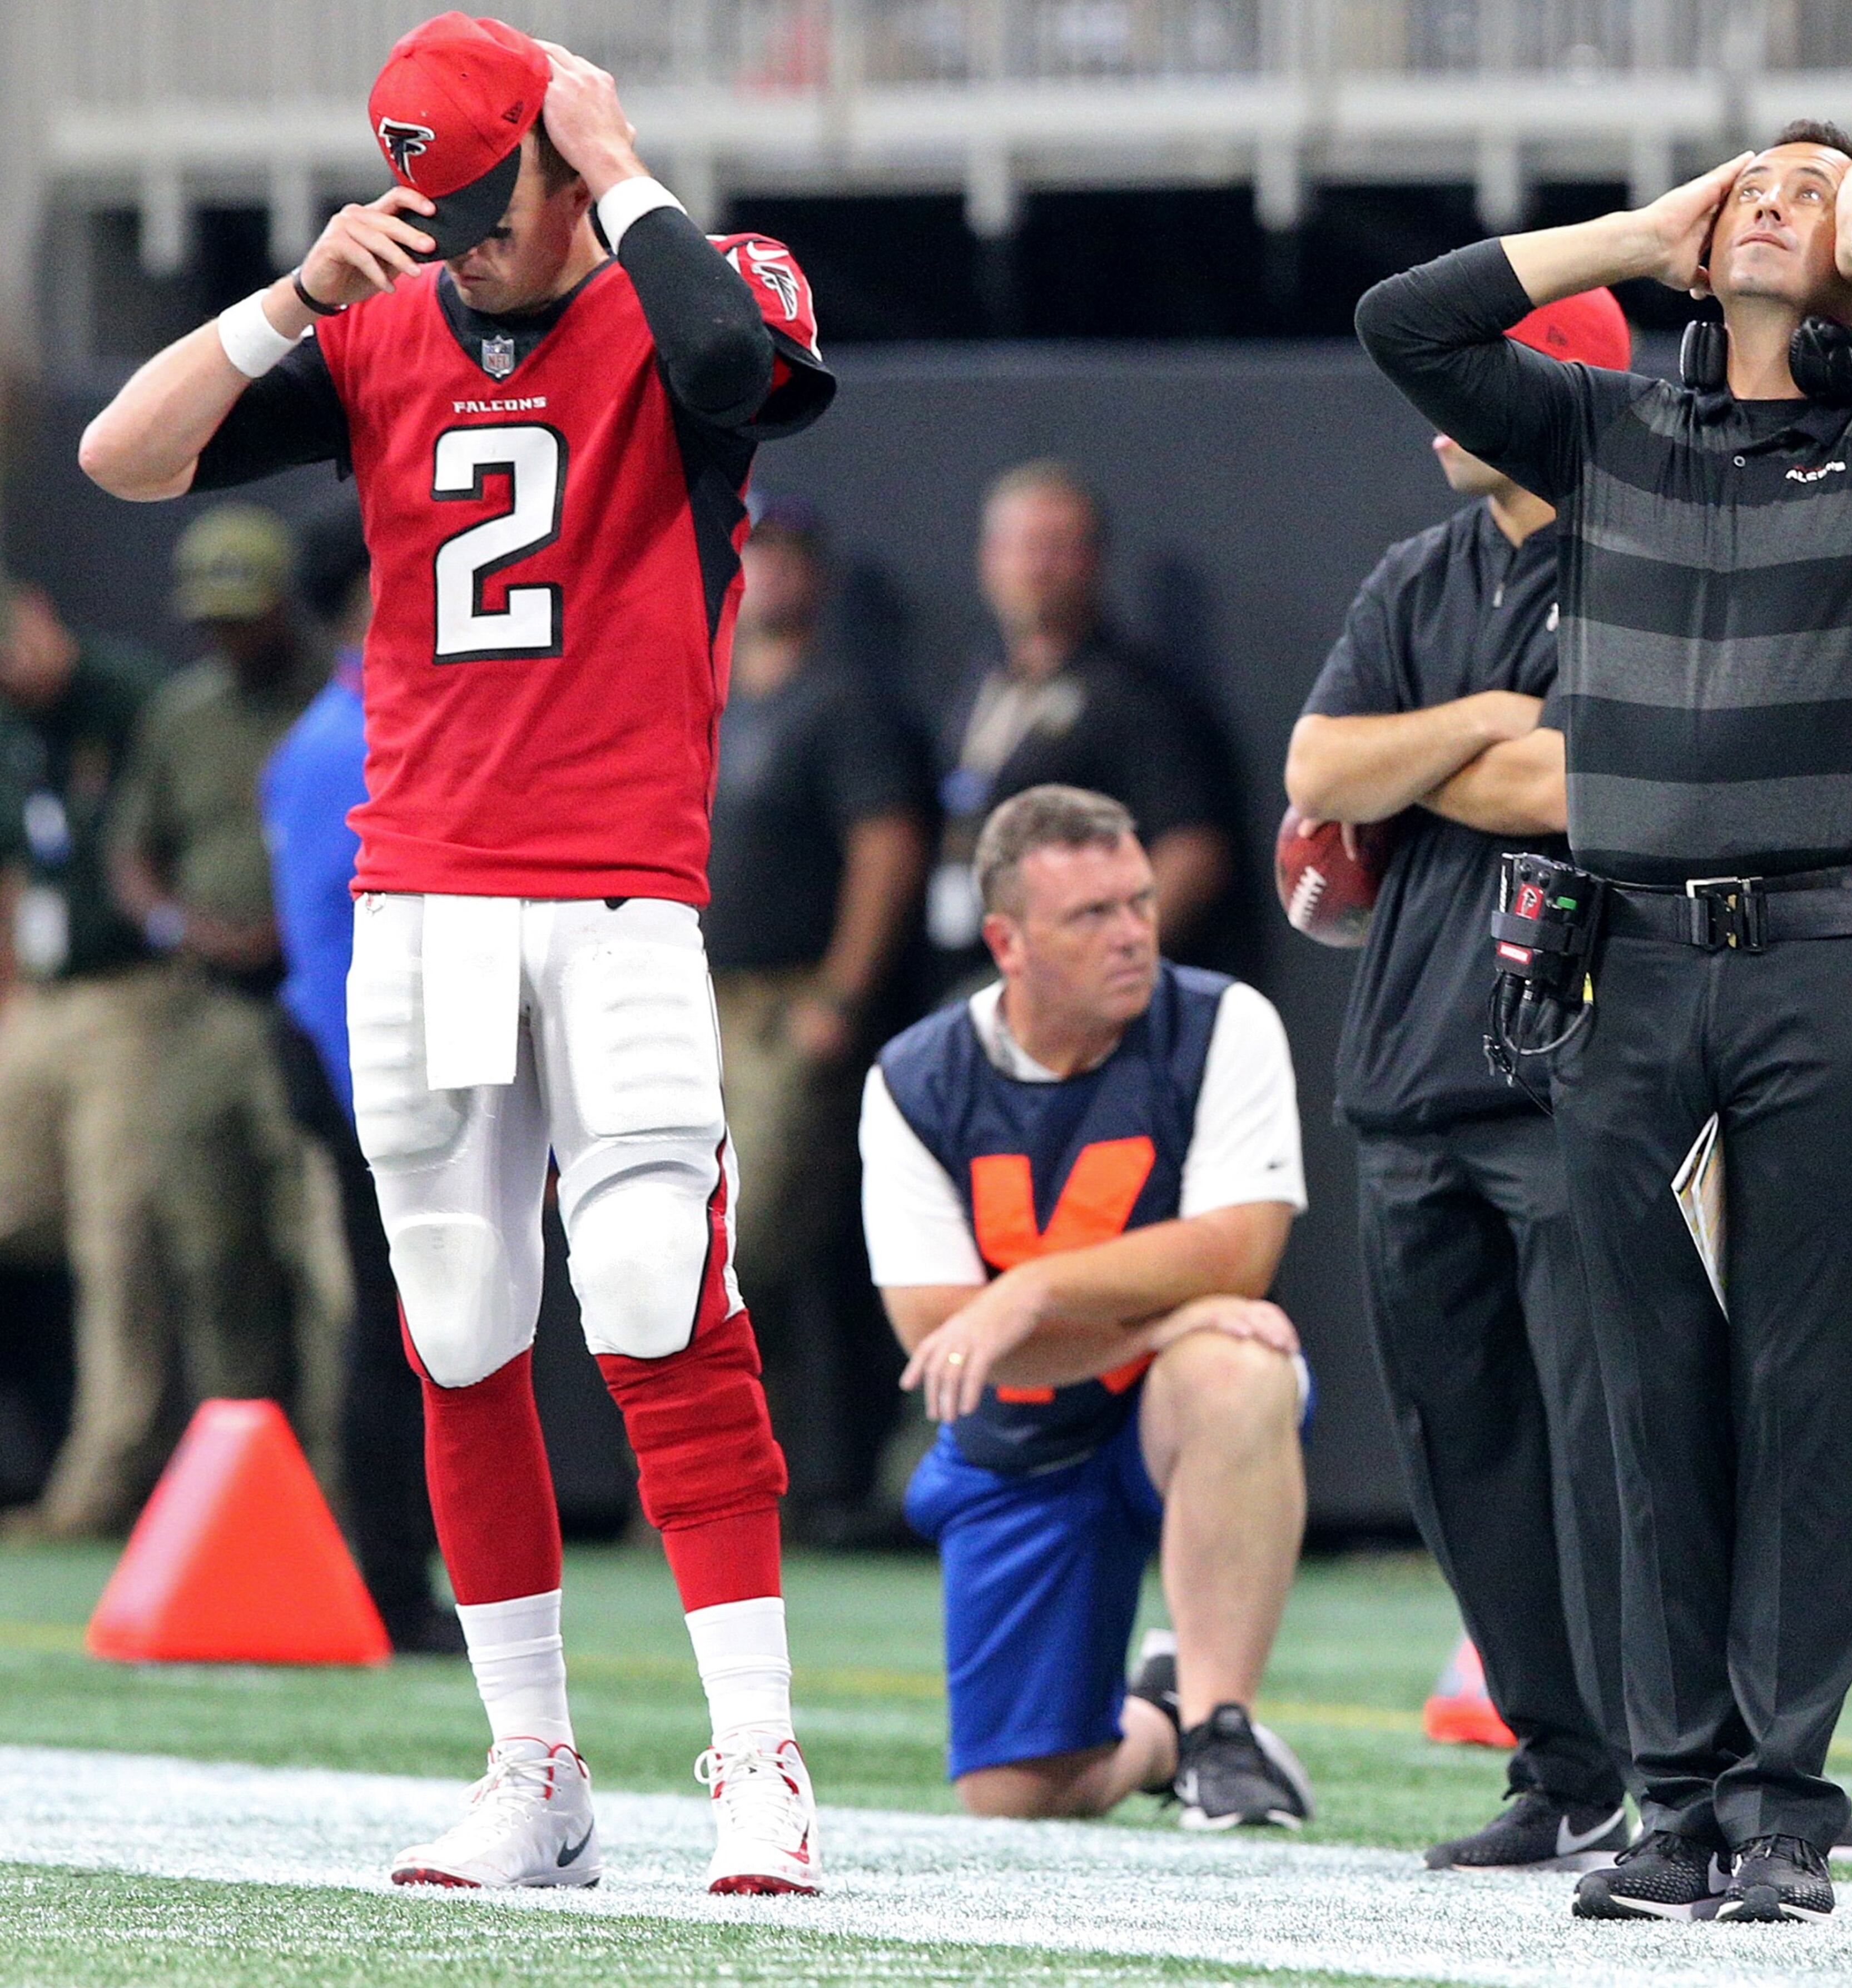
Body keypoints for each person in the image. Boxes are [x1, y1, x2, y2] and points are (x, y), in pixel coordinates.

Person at [79, 13, 834, 1895]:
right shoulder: (382, 316)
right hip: (417, 888)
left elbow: (739, 362)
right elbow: (124, 454)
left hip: (615, 888)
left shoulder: (696, 277)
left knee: (658, 1291)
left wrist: (618, 156)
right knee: (464, 1321)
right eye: (436, 203)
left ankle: (760, 1759)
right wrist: (283, 299)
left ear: (566, 162)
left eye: (487, 198)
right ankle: (535, 1766)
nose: (462, 240)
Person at [1356, 123, 1852, 1922]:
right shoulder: (1613, 434)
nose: (1777, 200)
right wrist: (1640, 232)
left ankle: (1782, 1801)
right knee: (1640, 1393)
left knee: (1809, 1393)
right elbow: (1408, 321)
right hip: (1627, 957)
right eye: (1752, 178)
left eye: (1810, 190)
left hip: (1839, 966)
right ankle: (1668, 1801)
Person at [1285, 289, 1634, 1876]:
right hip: (1411, 1068)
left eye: (1473, 376)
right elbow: (1315, 772)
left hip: (1575, 1064)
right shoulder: (1421, 570)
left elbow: (1579, 777)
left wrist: (1428, 752)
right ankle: (1558, 1764)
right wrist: (1489, 719)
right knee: (1461, 1445)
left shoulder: (1649, 551)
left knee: (1602, 1431)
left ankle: (1670, 1758)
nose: (1437, 403)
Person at [862, 784, 1313, 1827]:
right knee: (1017, 1795)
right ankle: (1161, 1721)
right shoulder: (918, 1079)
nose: (1132, 935)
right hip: (1023, 1441)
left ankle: (1221, 1728)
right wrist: (1162, 1319)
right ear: (1007, 943)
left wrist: (1032, 1288)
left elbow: (1240, 1248)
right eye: (1092, 915)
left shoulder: (1222, 1022)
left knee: (1235, 1365)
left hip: (1169, 1414)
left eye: (1139, 902)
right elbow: (944, 1342)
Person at [706, 492, 931, 1534]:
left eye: (795, 558)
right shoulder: (708, 691)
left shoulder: (843, 704)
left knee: (758, 1239)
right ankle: (704, 1475)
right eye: (761, 555)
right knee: (682, 1243)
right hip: (700, 997)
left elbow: (888, 849)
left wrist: (841, 992)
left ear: (822, 579)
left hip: (789, 998)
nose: (776, 576)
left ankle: (778, 1473)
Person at [105, 505, 344, 1484]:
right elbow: (131, 852)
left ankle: (341, 1489)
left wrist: (303, 927)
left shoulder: (338, 702)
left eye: (245, 615)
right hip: (204, 1010)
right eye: (211, 621)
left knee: (325, 1261)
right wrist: (178, 924)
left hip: (314, 999)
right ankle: (239, 1491)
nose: (229, 637)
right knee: (210, 1254)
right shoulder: (183, 713)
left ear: (287, 604)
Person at [261, 496, 461, 1656]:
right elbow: (329, 952)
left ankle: (402, 1572)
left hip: (387, 1062)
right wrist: (383, 1112)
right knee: (394, 1323)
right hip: (362, 1068)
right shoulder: (346, 741)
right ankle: (387, 1581)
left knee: (422, 1321)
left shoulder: (371, 726)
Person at [927, 461, 1234, 990]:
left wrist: (1097, 963)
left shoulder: (1137, 693)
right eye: (1021, 545)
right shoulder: (987, 679)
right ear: (988, 558)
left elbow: (1192, 852)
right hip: (973, 973)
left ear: (1094, 560)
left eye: (1057, 547)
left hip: (1072, 993)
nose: (1036, 568)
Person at [0, 579, 168, 1537]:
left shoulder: (129, 699)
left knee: (116, 1238)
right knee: (20, 1213)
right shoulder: (16, 727)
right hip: (39, 995)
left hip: (126, 997)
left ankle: (101, 1475)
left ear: (41, 612)